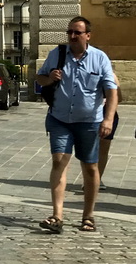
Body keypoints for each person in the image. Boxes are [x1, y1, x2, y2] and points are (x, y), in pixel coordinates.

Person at [35, 16, 118, 234]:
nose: (72, 36)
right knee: (58, 161)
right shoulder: (57, 54)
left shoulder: (100, 58)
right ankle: (57, 215)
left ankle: (88, 216)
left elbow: (111, 91)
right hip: (59, 118)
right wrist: (49, 77)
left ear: (87, 36)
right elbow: (39, 78)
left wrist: (108, 119)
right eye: (69, 32)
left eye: (77, 33)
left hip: (89, 122)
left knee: (90, 167)